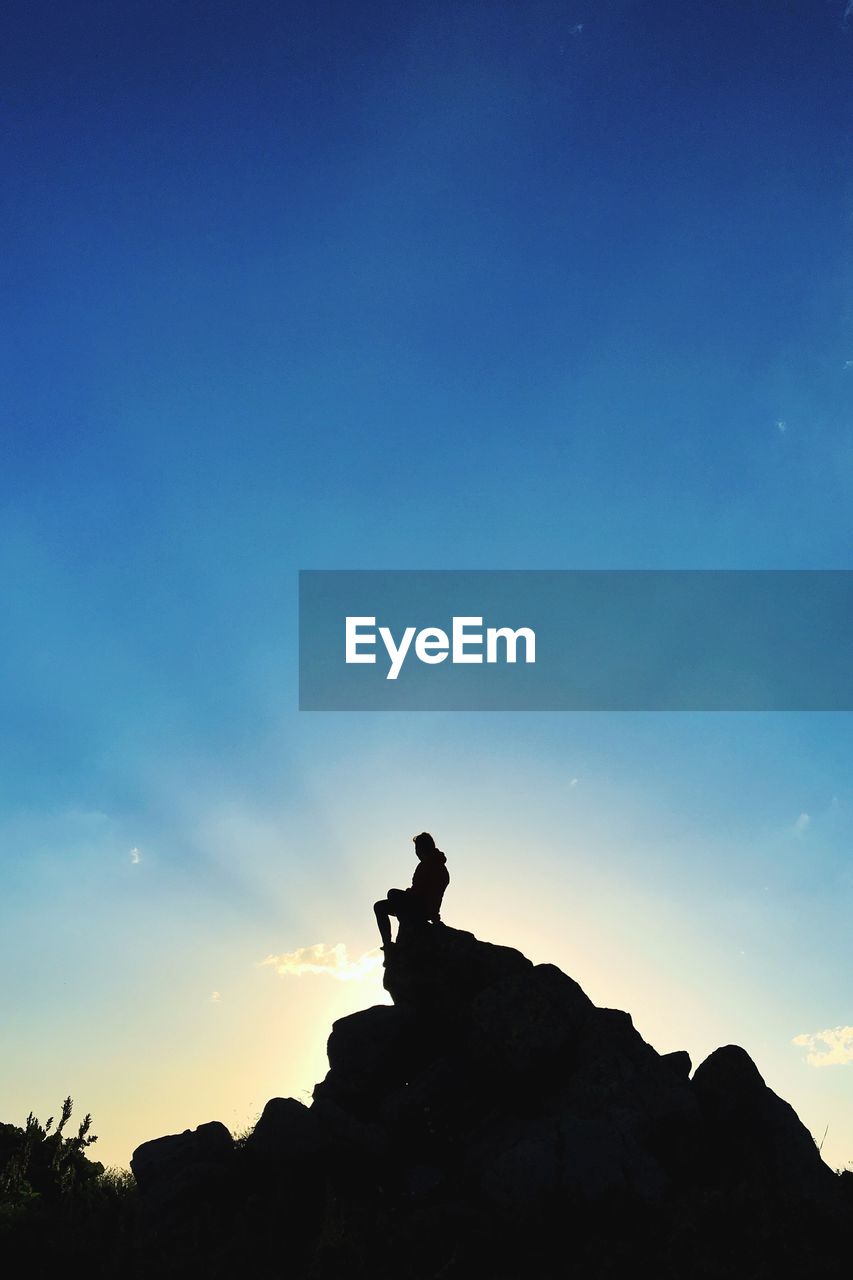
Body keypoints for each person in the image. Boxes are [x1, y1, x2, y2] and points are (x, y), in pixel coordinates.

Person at [374, 832, 449, 949]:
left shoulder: (432, 866)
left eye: (417, 848)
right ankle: (388, 944)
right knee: (380, 906)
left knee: (392, 893)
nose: (416, 852)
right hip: (419, 906)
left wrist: (434, 917)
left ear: (423, 848)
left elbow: (430, 894)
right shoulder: (430, 865)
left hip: (421, 909)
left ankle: (399, 935)